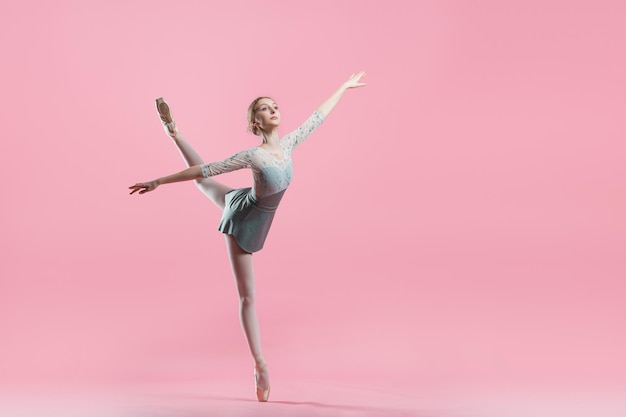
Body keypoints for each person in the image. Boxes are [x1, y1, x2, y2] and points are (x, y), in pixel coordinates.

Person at [129, 71, 366, 402]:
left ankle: (173, 131)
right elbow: (207, 169)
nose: (272, 110)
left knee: (206, 187)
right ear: (255, 123)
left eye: (274, 106)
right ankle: (260, 365)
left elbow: (318, 116)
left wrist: (343, 87)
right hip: (243, 219)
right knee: (248, 297)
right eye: (264, 108)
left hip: (246, 202)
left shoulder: (289, 143)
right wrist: (159, 180)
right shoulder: (254, 155)